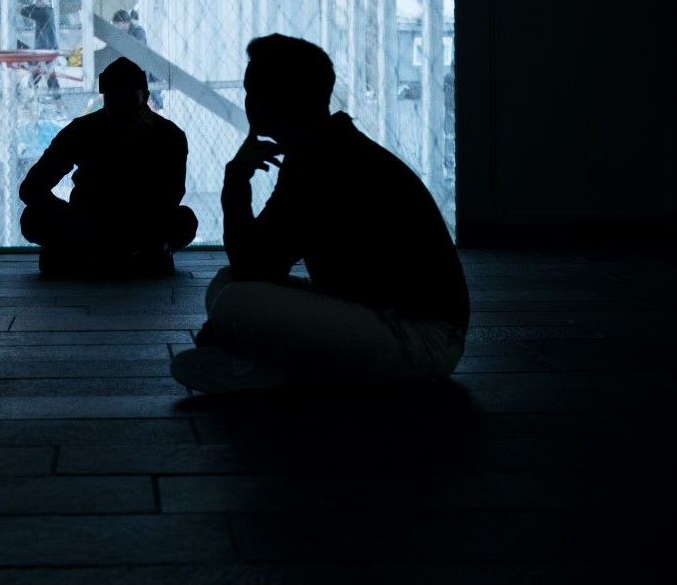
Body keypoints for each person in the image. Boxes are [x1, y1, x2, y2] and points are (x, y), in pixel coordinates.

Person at [170, 35, 468, 393]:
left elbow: (256, 267)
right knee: (226, 286)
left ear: (276, 100)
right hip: (400, 322)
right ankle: (289, 370)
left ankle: (286, 373)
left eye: (253, 90)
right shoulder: (325, 148)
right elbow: (256, 263)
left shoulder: (321, 161)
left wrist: (236, 183)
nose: (248, 101)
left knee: (233, 299)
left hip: (419, 338)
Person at [19, 56, 197, 277]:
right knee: (182, 221)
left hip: (118, 225)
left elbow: (170, 197)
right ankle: (138, 257)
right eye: (116, 100)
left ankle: (90, 257)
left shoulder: (167, 136)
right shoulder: (168, 135)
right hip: (105, 225)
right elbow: (32, 188)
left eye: (127, 101)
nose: (121, 108)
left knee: (183, 220)